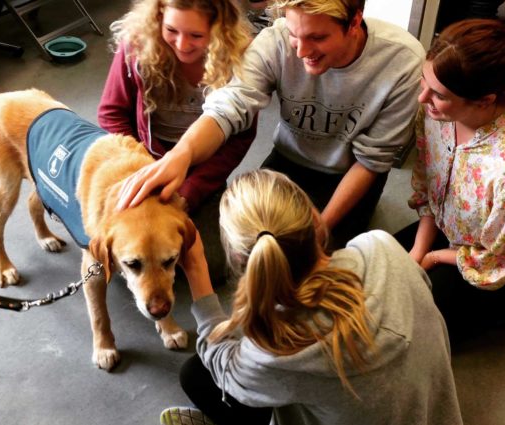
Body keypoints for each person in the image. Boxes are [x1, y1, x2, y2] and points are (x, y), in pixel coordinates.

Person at [115, 0, 426, 251]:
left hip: (351, 173)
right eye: (294, 34)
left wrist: (324, 224)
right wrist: (180, 155)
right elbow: (229, 106)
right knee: (250, 245)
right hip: (291, 160)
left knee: (310, 257)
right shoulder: (273, 41)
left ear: (355, 21)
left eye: (317, 37)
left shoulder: (402, 62)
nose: (301, 51)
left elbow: (372, 159)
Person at [160, 169, 463, 425]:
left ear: (240, 259)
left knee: (198, 375)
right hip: (435, 413)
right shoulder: (380, 246)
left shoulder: (276, 347)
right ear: (315, 218)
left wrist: (197, 269)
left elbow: (227, 373)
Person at [394, 19, 505, 337]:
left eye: (438, 94)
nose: (422, 98)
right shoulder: (437, 114)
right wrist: (418, 251)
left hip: (504, 266)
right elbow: (430, 188)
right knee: (375, 266)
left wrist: (430, 258)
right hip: (453, 232)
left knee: (405, 323)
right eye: (423, 82)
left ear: (485, 100)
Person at [98, 0, 256, 283]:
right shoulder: (136, 44)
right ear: (158, 16)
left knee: (216, 262)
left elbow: (241, 136)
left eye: (196, 35)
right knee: (126, 252)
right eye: (171, 30)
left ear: (220, 29)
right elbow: (111, 114)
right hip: (145, 159)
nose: (182, 44)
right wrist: (142, 169)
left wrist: (189, 192)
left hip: (202, 167)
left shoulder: (242, 59)